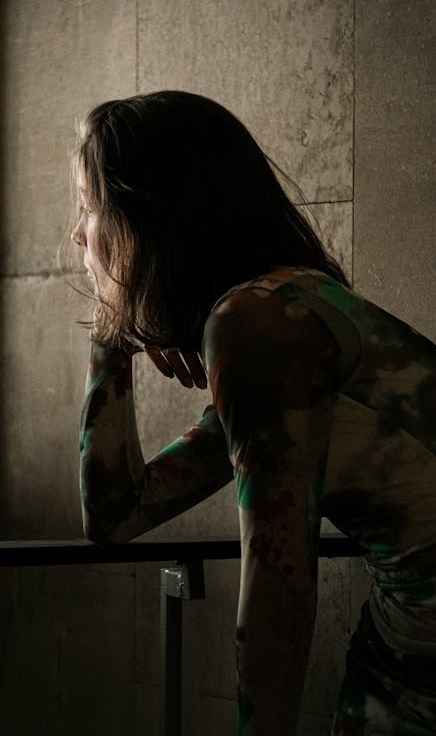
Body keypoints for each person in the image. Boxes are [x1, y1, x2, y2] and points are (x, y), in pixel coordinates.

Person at [69, 90, 436, 735]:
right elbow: (116, 514)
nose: (79, 233)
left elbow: (278, 584)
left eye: (90, 206)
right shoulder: (280, 314)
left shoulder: (262, 324)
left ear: (147, 215)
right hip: (407, 645)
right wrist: (110, 336)